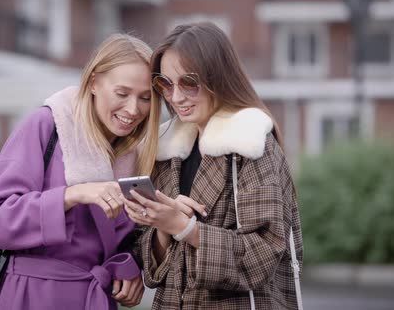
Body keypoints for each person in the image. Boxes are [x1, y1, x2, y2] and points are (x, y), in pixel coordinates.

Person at [123, 22, 303, 309]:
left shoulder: (251, 143)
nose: (176, 97)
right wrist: (162, 227)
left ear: (217, 77)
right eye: (165, 84)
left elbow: (264, 253)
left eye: (188, 83)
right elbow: (153, 269)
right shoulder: (169, 150)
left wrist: (184, 227)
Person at [0, 33, 162, 310]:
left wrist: (131, 265)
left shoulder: (138, 154)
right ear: (95, 82)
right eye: (122, 93)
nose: (133, 110)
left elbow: (131, 239)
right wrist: (72, 195)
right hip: (32, 297)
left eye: (145, 98)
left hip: (95, 298)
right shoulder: (48, 125)